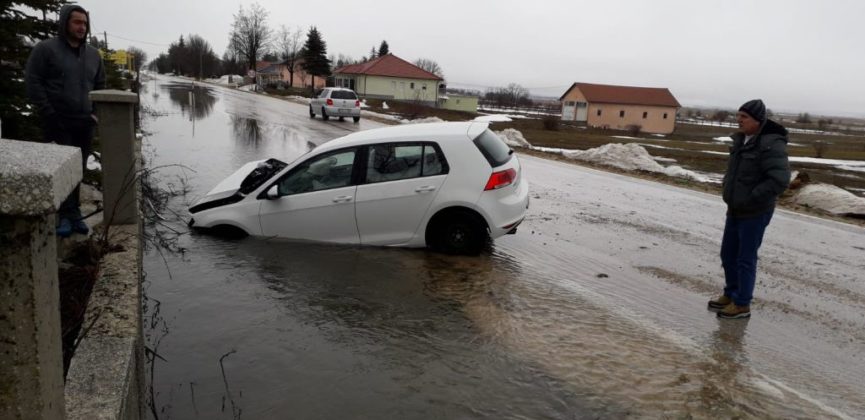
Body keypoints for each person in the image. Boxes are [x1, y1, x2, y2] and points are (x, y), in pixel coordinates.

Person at [26, 4, 105, 237]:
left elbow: (100, 85)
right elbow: (33, 82)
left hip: (84, 122)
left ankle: (75, 213)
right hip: (57, 121)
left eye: (84, 23)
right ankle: (64, 216)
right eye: (77, 22)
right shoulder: (46, 50)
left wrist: (95, 113)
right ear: (65, 23)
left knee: (78, 170)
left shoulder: (93, 55)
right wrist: (49, 113)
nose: (82, 27)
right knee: (61, 171)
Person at [708, 99, 790, 319]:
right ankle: (731, 293)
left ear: (757, 120)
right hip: (735, 208)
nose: (739, 120)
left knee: (745, 257)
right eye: (738, 116)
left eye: (744, 117)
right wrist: (728, 189)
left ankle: (742, 303)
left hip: (755, 211)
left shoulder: (771, 143)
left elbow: (780, 180)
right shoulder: (741, 140)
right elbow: (732, 171)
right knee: (728, 254)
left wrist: (752, 198)